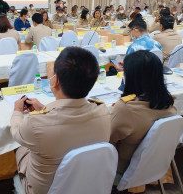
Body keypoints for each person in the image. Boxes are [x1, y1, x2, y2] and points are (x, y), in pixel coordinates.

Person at [11, 47, 111, 194]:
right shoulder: (103, 112)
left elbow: (15, 132)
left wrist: (17, 112)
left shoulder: (35, 124)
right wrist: (44, 109)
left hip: (44, 190)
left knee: (20, 148)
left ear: (55, 80)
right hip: (86, 184)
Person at [110, 50, 176, 175]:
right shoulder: (169, 102)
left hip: (121, 168)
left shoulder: (126, 108)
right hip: (151, 165)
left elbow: (107, 140)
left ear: (130, 77)